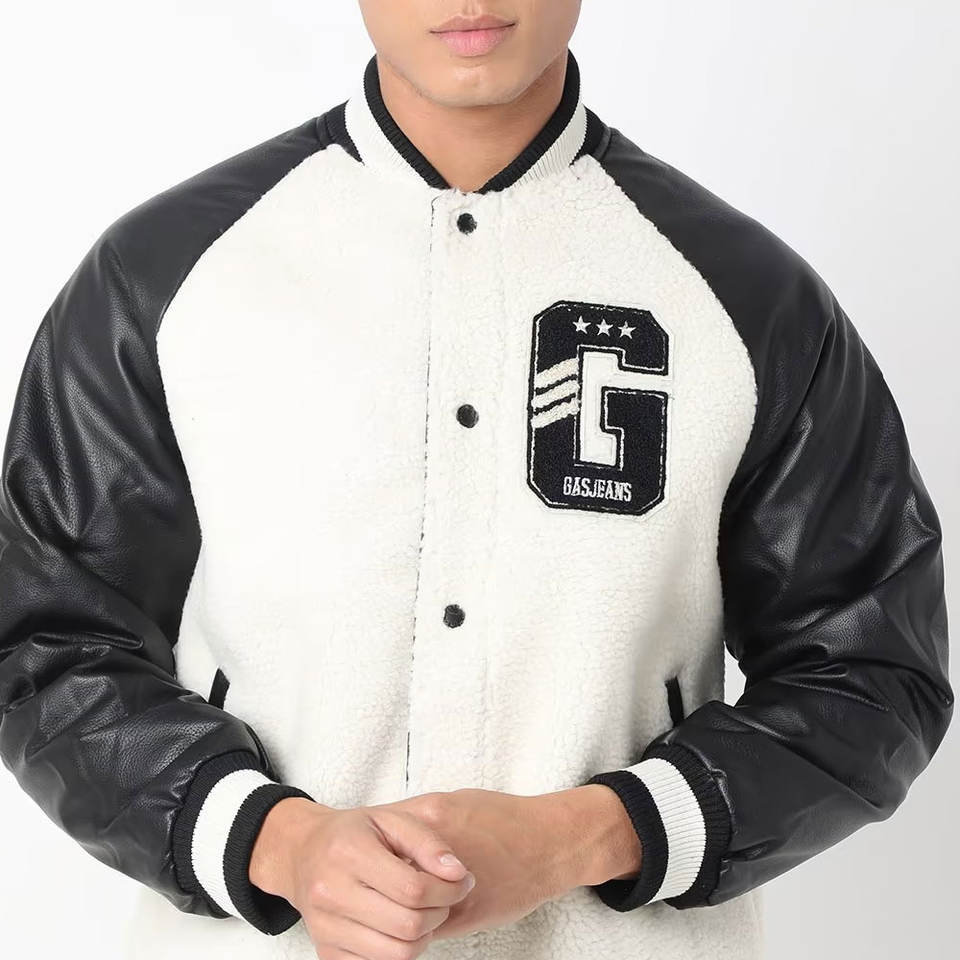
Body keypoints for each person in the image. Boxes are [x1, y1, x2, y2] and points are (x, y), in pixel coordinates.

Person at [0, 3, 952, 960]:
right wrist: (277, 844)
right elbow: (47, 643)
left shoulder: (750, 299)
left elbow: (872, 672)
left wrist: (588, 835)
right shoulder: (162, 277)